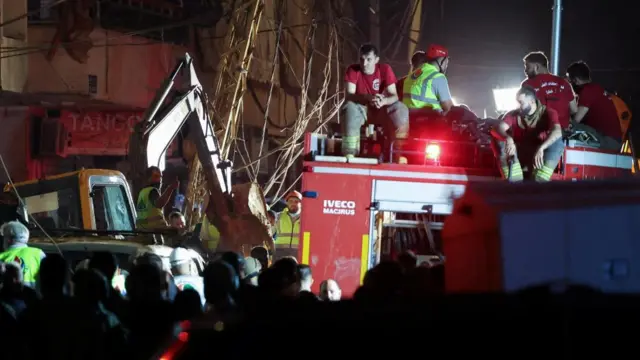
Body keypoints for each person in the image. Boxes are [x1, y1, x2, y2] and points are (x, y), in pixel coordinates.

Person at [342, 43, 409, 158]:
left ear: (376, 60)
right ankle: (350, 152)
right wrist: (367, 97)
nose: (364, 63)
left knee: (401, 108)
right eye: (362, 59)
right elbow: (349, 95)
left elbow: (394, 96)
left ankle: (400, 153)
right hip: (361, 110)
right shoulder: (353, 70)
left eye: (369, 59)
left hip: (381, 109)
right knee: (349, 107)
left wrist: (384, 101)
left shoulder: (385, 69)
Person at [492, 86, 564, 182]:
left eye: (521, 103)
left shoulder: (548, 112)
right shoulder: (514, 114)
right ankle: (514, 179)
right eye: (517, 102)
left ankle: (540, 179)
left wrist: (542, 148)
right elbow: (497, 128)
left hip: (539, 156)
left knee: (557, 141)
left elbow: (557, 131)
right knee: (499, 138)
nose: (518, 106)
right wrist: (508, 138)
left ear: (532, 102)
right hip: (519, 153)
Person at [565, 61, 622, 150]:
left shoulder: (587, 91)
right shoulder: (597, 88)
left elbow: (576, 120)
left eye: (570, 82)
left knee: (566, 126)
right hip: (613, 140)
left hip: (607, 140)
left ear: (575, 80)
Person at [521, 51, 576, 130]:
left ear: (536, 67)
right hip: (562, 133)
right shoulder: (564, 82)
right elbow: (574, 109)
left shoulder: (527, 84)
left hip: (539, 134)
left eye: (527, 67)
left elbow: (524, 110)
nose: (525, 70)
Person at [0, 221, 45, 288]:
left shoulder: (1, 257)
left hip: (13, 296)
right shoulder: (38, 253)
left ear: (8, 239)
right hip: (34, 296)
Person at [274, 191, 302, 258]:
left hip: (298, 253)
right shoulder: (278, 216)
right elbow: (268, 233)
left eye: (296, 201)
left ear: (301, 203)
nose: (293, 203)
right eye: (291, 201)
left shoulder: (305, 219)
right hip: (280, 253)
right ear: (287, 202)